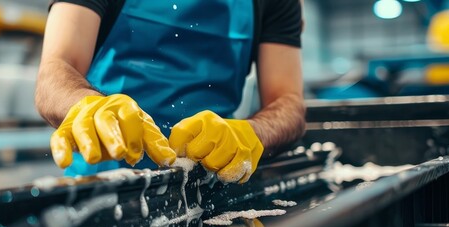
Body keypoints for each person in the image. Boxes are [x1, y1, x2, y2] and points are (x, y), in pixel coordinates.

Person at [35, 0, 306, 183]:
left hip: (212, 188)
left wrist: (251, 132)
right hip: (103, 185)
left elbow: (288, 102)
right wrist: (89, 105)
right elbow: (55, 69)